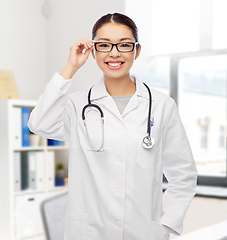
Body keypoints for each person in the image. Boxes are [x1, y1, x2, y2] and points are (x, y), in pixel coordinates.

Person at [28, 12, 197, 240]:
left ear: (136, 51)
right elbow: (40, 123)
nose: (114, 53)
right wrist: (70, 67)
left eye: (124, 45)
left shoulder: (161, 106)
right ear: (93, 51)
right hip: (89, 233)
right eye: (105, 45)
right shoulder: (78, 105)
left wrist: (167, 224)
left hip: (144, 233)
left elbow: (183, 175)